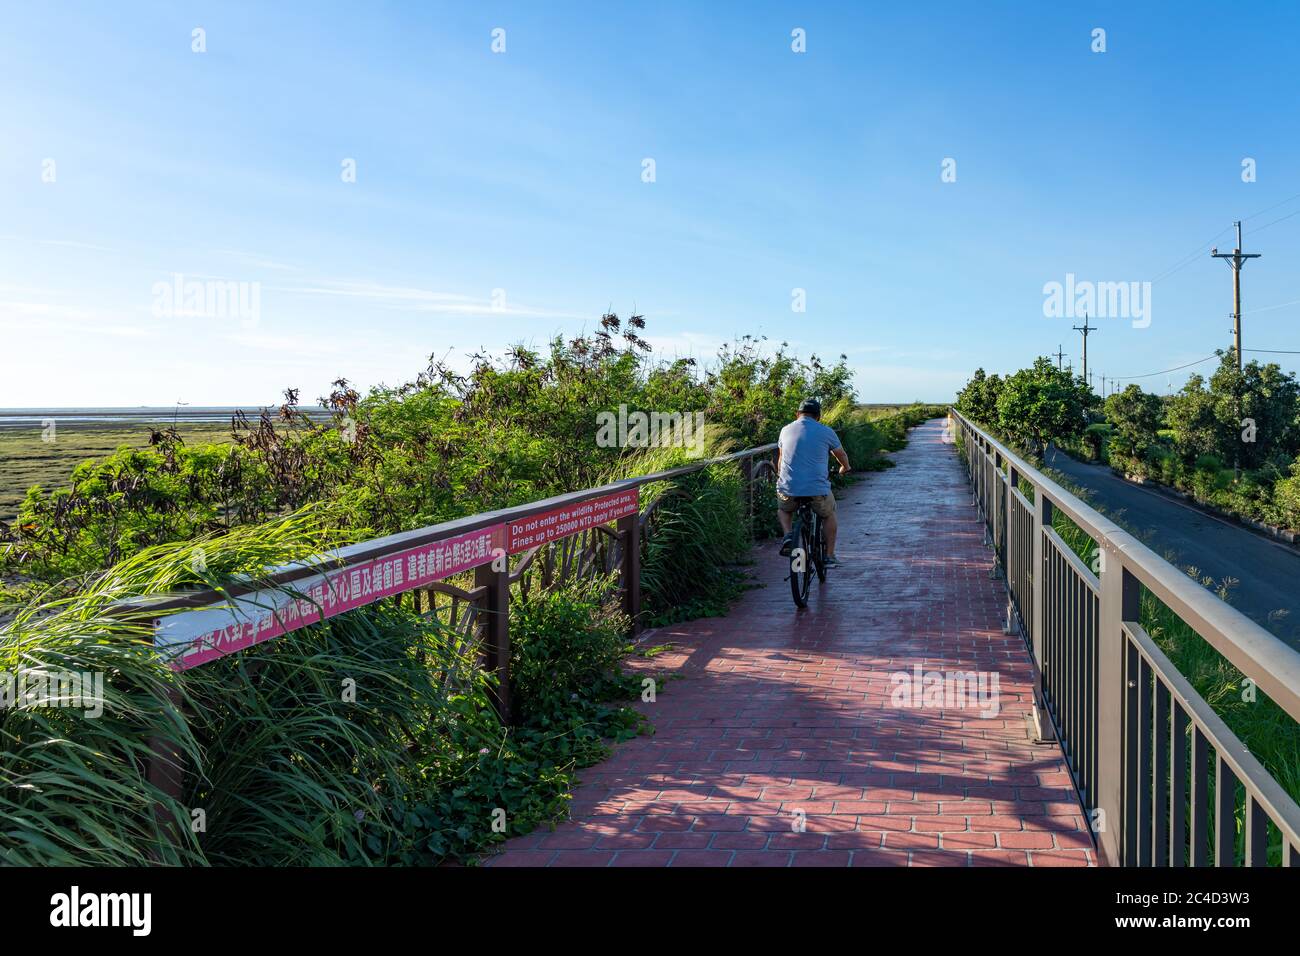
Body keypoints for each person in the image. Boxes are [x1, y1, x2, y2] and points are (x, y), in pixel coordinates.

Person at [775, 398, 850, 566]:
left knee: (784, 510)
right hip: (817, 489)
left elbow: (780, 460)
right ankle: (829, 556)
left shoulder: (785, 430)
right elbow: (841, 455)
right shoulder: (826, 431)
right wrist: (845, 467)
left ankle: (788, 535)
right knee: (829, 514)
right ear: (819, 416)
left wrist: (781, 476)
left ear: (797, 414)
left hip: (788, 488)